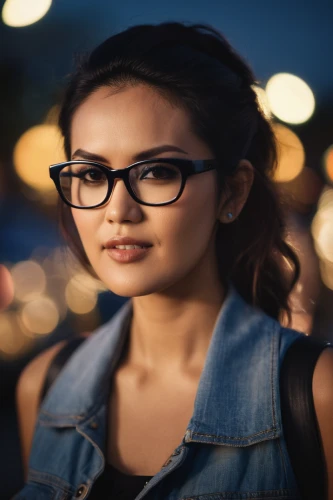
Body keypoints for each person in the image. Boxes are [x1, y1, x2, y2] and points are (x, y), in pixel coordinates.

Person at [15, 22, 333, 499]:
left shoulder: (316, 394)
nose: (118, 211)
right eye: (91, 174)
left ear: (233, 190)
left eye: (158, 172)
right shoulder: (43, 389)